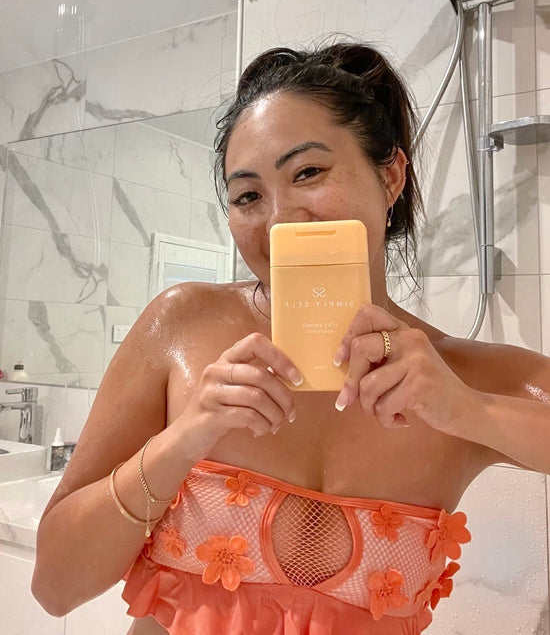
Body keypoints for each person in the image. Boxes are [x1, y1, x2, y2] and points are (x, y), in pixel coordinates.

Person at [32, 42, 550, 635]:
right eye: (248, 196)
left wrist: (469, 409)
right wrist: (183, 440)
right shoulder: (183, 326)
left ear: (390, 177)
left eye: (308, 173)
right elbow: (55, 586)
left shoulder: (450, 374)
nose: (279, 220)